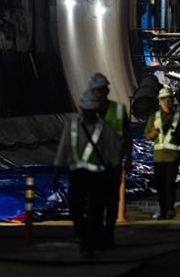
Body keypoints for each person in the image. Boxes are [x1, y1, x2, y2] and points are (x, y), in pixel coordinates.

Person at [52, 90, 121, 258]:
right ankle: (86, 239)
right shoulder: (72, 126)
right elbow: (63, 149)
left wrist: (115, 171)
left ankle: (88, 243)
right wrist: (57, 171)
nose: (89, 113)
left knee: (94, 210)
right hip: (78, 174)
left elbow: (113, 152)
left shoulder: (105, 128)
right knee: (76, 210)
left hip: (96, 176)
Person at [88, 72, 131, 248]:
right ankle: (98, 236)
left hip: (113, 164)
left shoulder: (118, 111)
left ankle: (109, 235)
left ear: (106, 90)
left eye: (101, 89)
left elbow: (127, 136)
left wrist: (129, 158)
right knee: (95, 203)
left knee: (112, 202)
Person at [144, 88, 180, 220]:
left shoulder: (178, 117)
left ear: (172, 101)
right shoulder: (154, 117)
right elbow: (147, 135)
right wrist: (154, 132)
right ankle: (163, 210)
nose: (167, 102)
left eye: (169, 99)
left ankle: (169, 209)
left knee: (170, 184)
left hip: (172, 157)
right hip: (158, 158)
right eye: (164, 99)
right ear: (160, 101)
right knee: (161, 186)